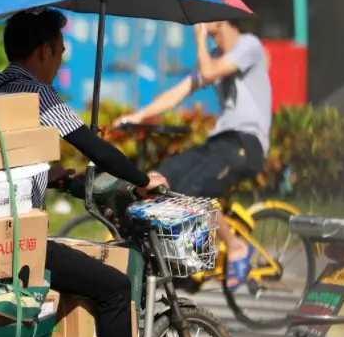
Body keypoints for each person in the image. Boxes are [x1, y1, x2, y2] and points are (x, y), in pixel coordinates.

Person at [0, 9, 185, 337]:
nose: (59, 61)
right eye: (59, 52)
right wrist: (142, 179)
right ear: (43, 50)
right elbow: (91, 145)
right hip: (18, 237)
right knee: (112, 286)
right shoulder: (34, 91)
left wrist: (52, 176)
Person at [114, 16, 271, 291]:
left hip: (246, 143)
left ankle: (235, 248)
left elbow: (209, 74)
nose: (201, 18)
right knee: (159, 181)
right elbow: (178, 92)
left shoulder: (249, 45)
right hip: (220, 141)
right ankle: (182, 262)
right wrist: (135, 117)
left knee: (195, 190)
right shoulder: (212, 56)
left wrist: (199, 37)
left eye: (208, 13)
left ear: (224, 18)